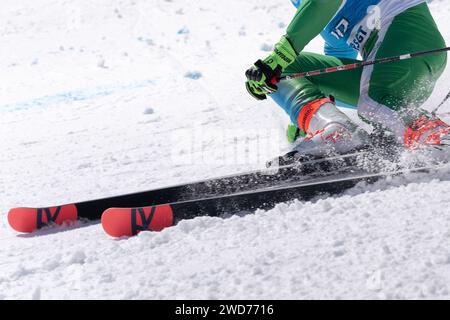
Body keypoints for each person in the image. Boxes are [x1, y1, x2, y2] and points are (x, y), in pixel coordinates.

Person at [245, 0, 449, 157]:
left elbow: (324, 3)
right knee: (282, 73)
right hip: (387, 64)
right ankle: (335, 131)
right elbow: (338, 49)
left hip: (410, 35)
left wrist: (280, 55)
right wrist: (306, 115)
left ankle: (436, 134)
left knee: (373, 102)